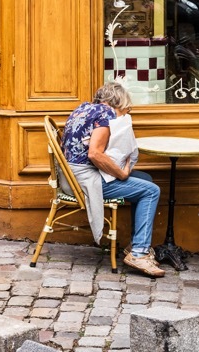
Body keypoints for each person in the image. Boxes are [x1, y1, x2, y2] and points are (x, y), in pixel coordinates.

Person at [61, 81, 164, 278]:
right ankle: (139, 254)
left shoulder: (84, 108)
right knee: (151, 190)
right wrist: (122, 173)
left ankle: (136, 244)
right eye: (125, 110)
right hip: (83, 181)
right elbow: (94, 154)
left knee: (146, 178)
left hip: (69, 176)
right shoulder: (106, 114)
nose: (125, 115)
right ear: (115, 104)